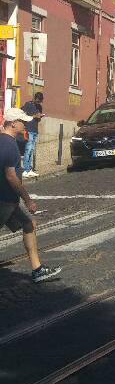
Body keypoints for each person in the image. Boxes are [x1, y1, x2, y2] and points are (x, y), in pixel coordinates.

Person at [0, 108, 61, 283]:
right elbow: (11, 176)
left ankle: (37, 269)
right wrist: (28, 199)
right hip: (4, 200)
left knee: (29, 224)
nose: (25, 124)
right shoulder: (9, 144)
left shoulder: (4, 141)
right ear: (13, 123)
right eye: (23, 122)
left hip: (8, 201)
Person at [21, 91, 44, 178]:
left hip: (35, 130)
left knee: (31, 150)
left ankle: (29, 169)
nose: (39, 103)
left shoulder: (39, 107)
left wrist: (40, 117)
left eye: (40, 101)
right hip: (29, 129)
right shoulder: (28, 104)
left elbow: (38, 120)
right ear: (35, 98)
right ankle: (25, 170)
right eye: (38, 101)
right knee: (28, 149)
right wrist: (34, 116)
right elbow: (23, 114)